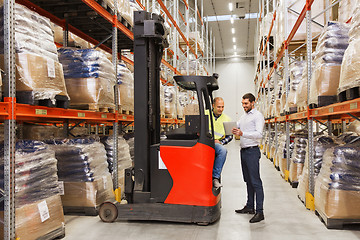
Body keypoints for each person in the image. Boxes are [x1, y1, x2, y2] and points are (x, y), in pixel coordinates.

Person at [232, 93, 265, 223]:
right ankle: (250, 206)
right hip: (244, 151)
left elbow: (259, 134)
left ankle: (260, 211)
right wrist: (233, 128)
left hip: (252, 151)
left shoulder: (258, 116)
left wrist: (242, 133)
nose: (244, 106)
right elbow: (238, 126)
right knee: (248, 180)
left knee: (256, 181)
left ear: (253, 102)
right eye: (243, 104)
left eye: (246, 104)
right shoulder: (244, 116)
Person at [209, 97, 233, 189]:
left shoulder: (227, 119)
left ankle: (215, 178)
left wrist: (221, 142)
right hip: (204, 141)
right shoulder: (205, 114)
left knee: (223, 151)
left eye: (222, 107)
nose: (221, 109)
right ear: (213, 106)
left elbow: (230, 136)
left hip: (216, 144)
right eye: (219, 107)